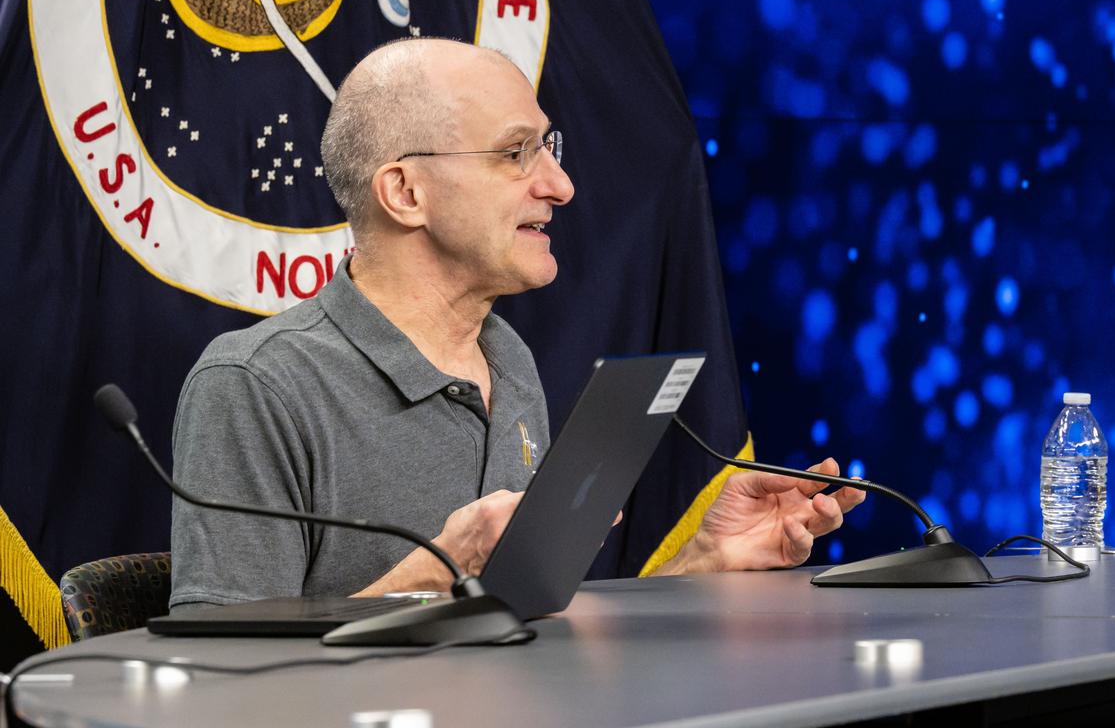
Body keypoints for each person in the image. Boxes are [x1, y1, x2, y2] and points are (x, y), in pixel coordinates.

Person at [168, 38, 861, 606]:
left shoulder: (510, 363)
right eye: (515, 153)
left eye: (550, 149)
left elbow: (529, 643)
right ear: (406, 192)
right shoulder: (254, 387)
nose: (560, 186)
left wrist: (701, 564)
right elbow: (222, 685)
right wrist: (437, 572)